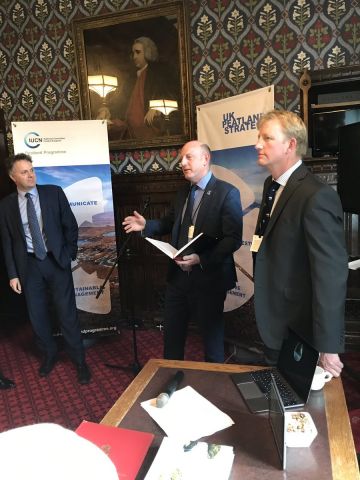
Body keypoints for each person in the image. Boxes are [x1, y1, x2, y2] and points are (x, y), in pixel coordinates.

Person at [123, 140, 243, 362]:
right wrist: (146, 225)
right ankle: (171, 382)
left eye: (188, 157)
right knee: (172, 338)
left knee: (211, 343)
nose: (182, 162)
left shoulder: (227, 193)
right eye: (182, 158)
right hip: (178, 280)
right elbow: (169, 223)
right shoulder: (182, 193)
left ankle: (213, 387)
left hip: (209, 280)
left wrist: (201, 259)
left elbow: (233, 239)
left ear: (205, 159)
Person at [252, 109, 348, 377]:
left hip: (299, 329)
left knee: (297, 409)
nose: (257, 144)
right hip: (274, 320)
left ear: (291, 145)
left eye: (267, 138)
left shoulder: (316, 196)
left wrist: (328, 346)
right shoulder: (271, 186)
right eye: (259, 137)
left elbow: (330, 275)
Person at [0, 153, 91, 384]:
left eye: (32, 170)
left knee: (66, 313)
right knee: (37, 316)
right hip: (28, 266)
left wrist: (69, 253)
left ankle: (79, 361)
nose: (30, 175)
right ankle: (49, 355)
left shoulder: (53, 193)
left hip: (56, 261)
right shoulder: (6, 206)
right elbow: (8, 242)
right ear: (13, 177)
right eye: (24, 172)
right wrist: (12, 274)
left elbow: (70, 225)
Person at [107, 36, 180, 140]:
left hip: (149, 127)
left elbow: (168, 94)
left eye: (138, 52)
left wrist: (156, 107)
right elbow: (121, 100)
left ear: (147, 52)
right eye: (133, 53)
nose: (134, 57)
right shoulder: (131, 78)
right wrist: (107, 110)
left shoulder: (158, 73)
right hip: (129, 131)